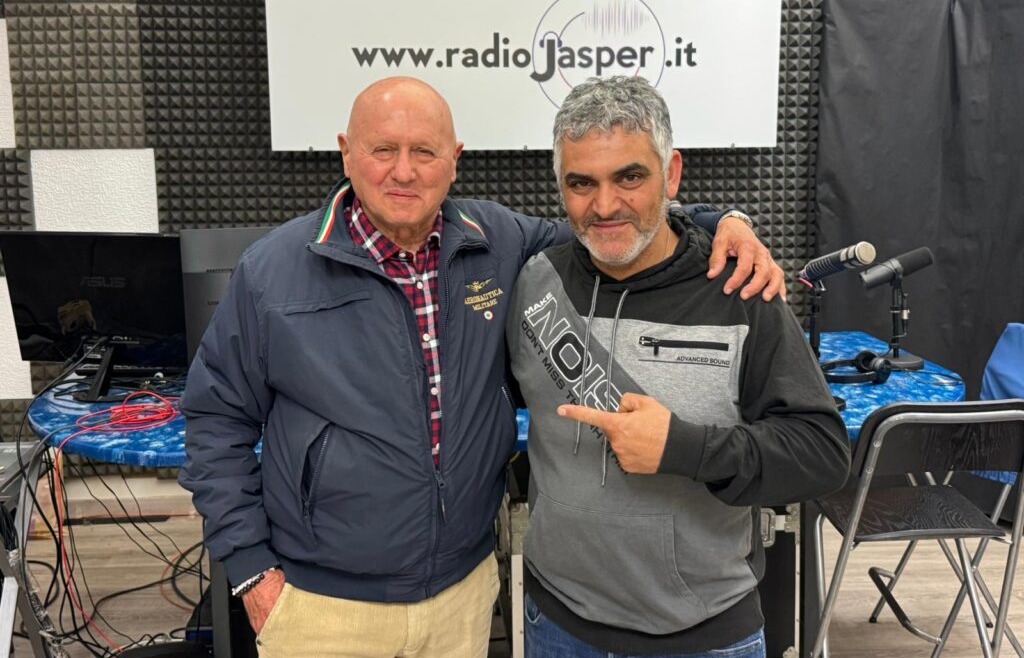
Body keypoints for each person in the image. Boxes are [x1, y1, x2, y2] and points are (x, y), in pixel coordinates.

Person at [179, 76, 784, 658]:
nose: (404, 171)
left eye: (424, 151)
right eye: (383, 149)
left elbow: (611, 219)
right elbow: (214, 421)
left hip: (461, 596)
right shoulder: (272, 272)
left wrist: (725, 221)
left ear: (455, 160)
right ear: (346, 152)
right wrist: (251, 570)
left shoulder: (498, 241)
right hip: (321, 605)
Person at [506, 76, 850, 658]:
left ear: (671, 175)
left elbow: (821, 453)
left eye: (630, 177)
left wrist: (683, 449)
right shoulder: (534, 281)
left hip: (704, 635)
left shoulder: (741, 291)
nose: (605, 205)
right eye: (582, 183)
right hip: (557, 623)